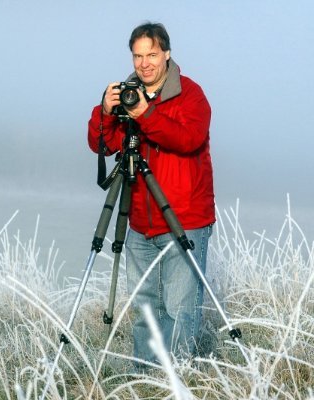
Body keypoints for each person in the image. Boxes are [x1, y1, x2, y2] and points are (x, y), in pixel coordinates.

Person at [87, 22, 215, 368]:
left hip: (183, 219)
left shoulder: (191, 95)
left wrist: (146, 114)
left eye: (152, 55)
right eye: (138, 56)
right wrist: (105, 111)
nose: (144, 64)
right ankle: (144, 379)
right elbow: (102, 144)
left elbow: (187, 139)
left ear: (167, 54)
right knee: (145, 308)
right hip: (139, 221)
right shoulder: (129, 94)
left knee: (179, 310)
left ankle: (179, 379)